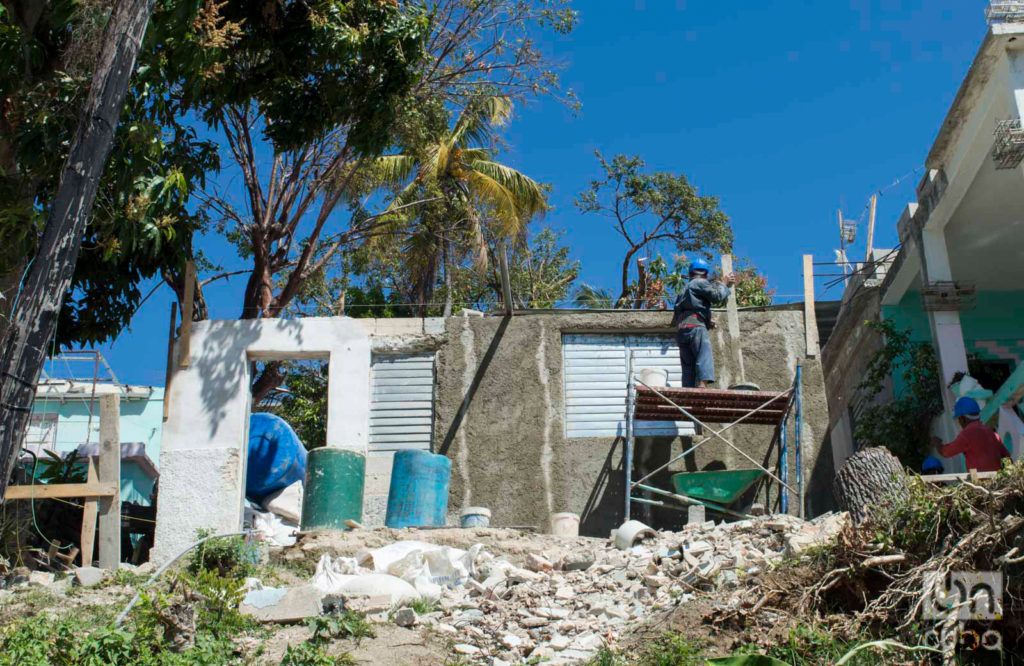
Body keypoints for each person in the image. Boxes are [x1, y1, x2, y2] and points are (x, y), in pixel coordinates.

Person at [671, 258, 736, 388]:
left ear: (690, 273)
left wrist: (706, 320)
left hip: (682, 329)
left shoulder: (683, 289)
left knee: (688, 364)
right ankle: (702, 385)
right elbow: (717, 296)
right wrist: (723, 283)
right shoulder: (700, 282)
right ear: (705, 274)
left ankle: (688, 389)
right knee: (703, 355)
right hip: (696, 327)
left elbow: (684, 310)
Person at [932, 397, 1010, 473]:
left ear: (962, 418)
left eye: (958, 420)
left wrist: (938, 444)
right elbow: (1007, 458)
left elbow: (946, 452)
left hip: (981, 482)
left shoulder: (967, 434)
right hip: (998, 480)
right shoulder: (991, 432)